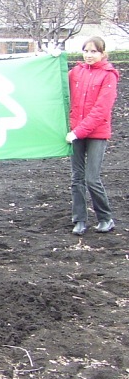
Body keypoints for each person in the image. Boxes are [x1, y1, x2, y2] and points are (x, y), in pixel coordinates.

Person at [67, 36, 119, 236]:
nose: (89, 55)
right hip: (75, 132)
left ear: (102, 53)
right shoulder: (76, 72)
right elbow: (57, 79)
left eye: (94, 51)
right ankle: (79, 220)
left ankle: (105, 218)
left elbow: (101, 109)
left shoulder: (108, 76)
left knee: (92, 178)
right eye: (86, 51)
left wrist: (77, 132)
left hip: (95, 133)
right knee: (76, 177)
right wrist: (52, 57)